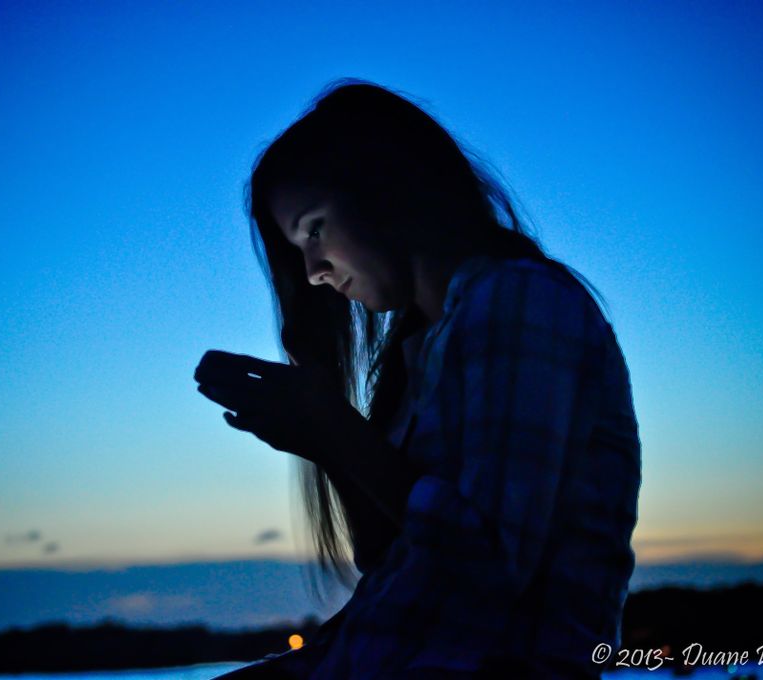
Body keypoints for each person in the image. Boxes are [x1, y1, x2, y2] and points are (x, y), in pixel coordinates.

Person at [193, 78, 642, 678]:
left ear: (388, 189)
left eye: (315, 229)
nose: (314, 272)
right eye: (298, 249)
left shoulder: (519, 300)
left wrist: (336, 428)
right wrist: (325, 438)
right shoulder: (422, 353)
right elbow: (389, 556)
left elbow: (488, 559)